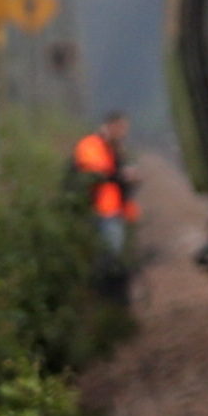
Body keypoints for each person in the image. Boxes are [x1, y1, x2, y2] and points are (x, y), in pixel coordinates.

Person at [69, 112, 136, 290]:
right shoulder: (92, 145)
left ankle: (112, 295)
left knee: (112, 255)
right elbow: (94, 172)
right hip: (100, 211)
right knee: (107, 257)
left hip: (113, 211)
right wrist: (121, 175)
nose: (124, 133)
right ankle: (106, 294)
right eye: (121, 129)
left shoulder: (114, 148)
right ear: (111, 126)